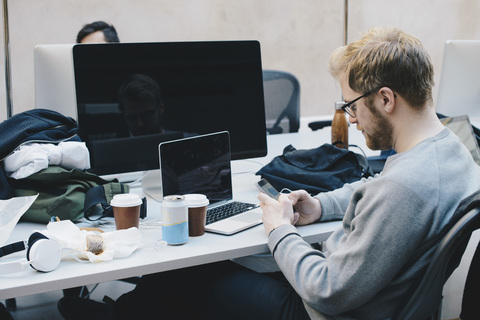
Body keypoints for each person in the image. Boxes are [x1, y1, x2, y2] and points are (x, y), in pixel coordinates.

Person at [58, 27, 480, 320]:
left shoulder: (403, 189)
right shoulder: (451, 151)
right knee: (204, 274)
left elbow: (328, 291)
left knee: (192, 272)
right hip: (370, 298)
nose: (350, 119)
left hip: (321, 310)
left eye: (351, 105)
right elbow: (375, 190)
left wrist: (280, 231)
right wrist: (318, 206)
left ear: (386, 98)